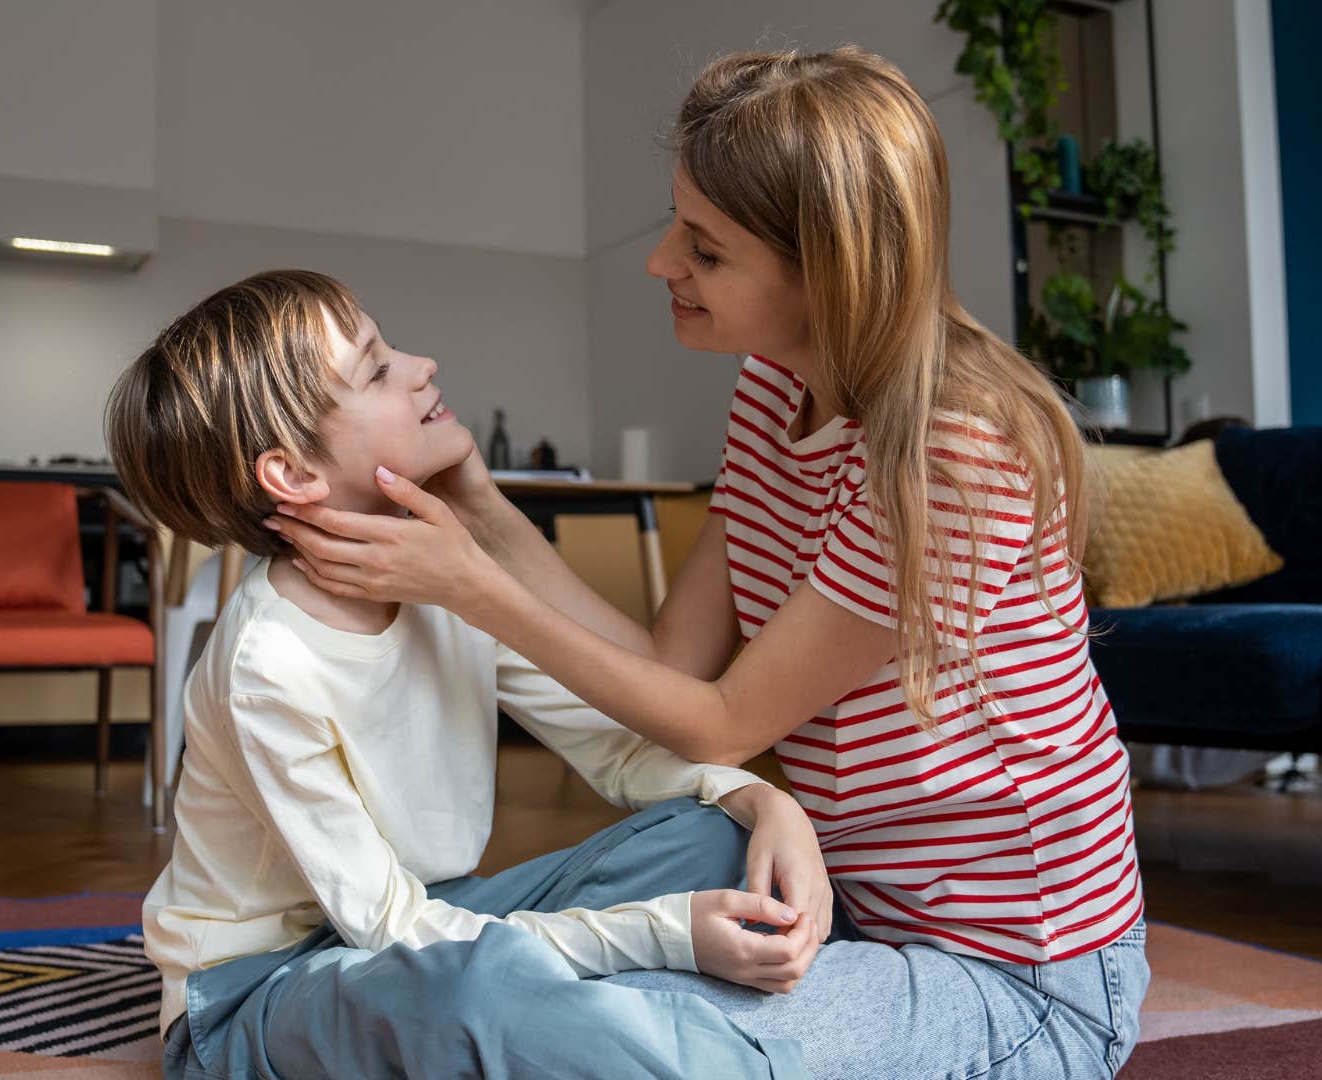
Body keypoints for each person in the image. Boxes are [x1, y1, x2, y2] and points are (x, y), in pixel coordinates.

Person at [269, 48, 1149, 1078]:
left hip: (1023, 980)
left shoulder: (955, 448)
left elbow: (725, 722)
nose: (663, 265)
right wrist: (475, 500)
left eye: (707, 249)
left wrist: (468, 585)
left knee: (577, 1031)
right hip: (855, 916)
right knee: (518, 988)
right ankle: (303, 1005)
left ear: (828, 270)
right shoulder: (775, 389)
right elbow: (671, 670)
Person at [106, 269, 827, 1079]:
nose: (421, 366)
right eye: (377, 369)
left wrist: (764, 801)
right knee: (474, 996)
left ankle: (598, 1025)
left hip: (435, 926)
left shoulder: (440, 571)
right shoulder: (267, 664)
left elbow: (620, 754)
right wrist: (663, 930)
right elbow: (398, 940)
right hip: (262, 991)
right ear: (295, 477)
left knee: (717, 838)